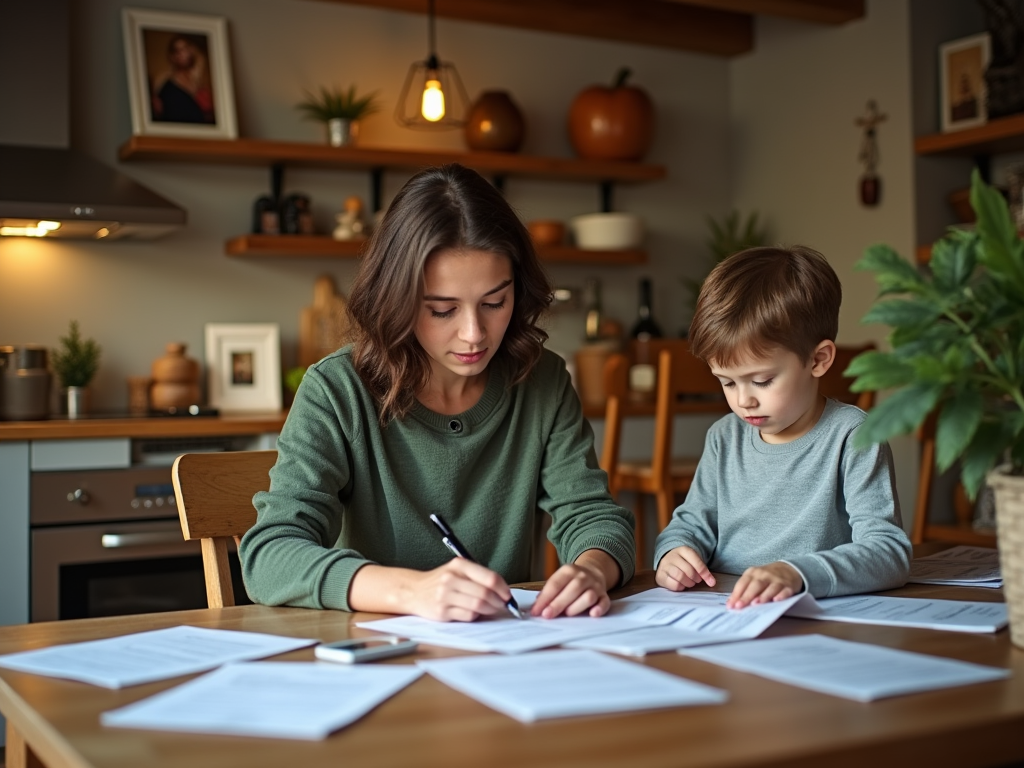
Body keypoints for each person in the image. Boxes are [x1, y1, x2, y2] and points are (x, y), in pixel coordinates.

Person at [240, 163, 635, 622]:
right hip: (378, 657)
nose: (474, 334)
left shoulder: (541, 380)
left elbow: (595, 518)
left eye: (494, 303)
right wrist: (411, 591)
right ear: (398, 299)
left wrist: (591, 568)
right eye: (442, 310)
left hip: (503, 657)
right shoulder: (336, 390)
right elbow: (269, 555)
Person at [654, 245, 911, 608]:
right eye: (727, 382)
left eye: (761, 381)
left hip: (814, 614)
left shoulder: (853, 434)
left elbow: (889, 554)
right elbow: (690, 524)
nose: (744, 400)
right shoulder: (723, 438)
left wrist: (797, 573)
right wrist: (673, 553)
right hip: (722, 609)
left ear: (818, 360)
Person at [150, 34, 215, 124]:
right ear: (173, 56)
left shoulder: (199, 82)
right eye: (178, 51)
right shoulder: (165, 83)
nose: (184, 53)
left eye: (186, 48)